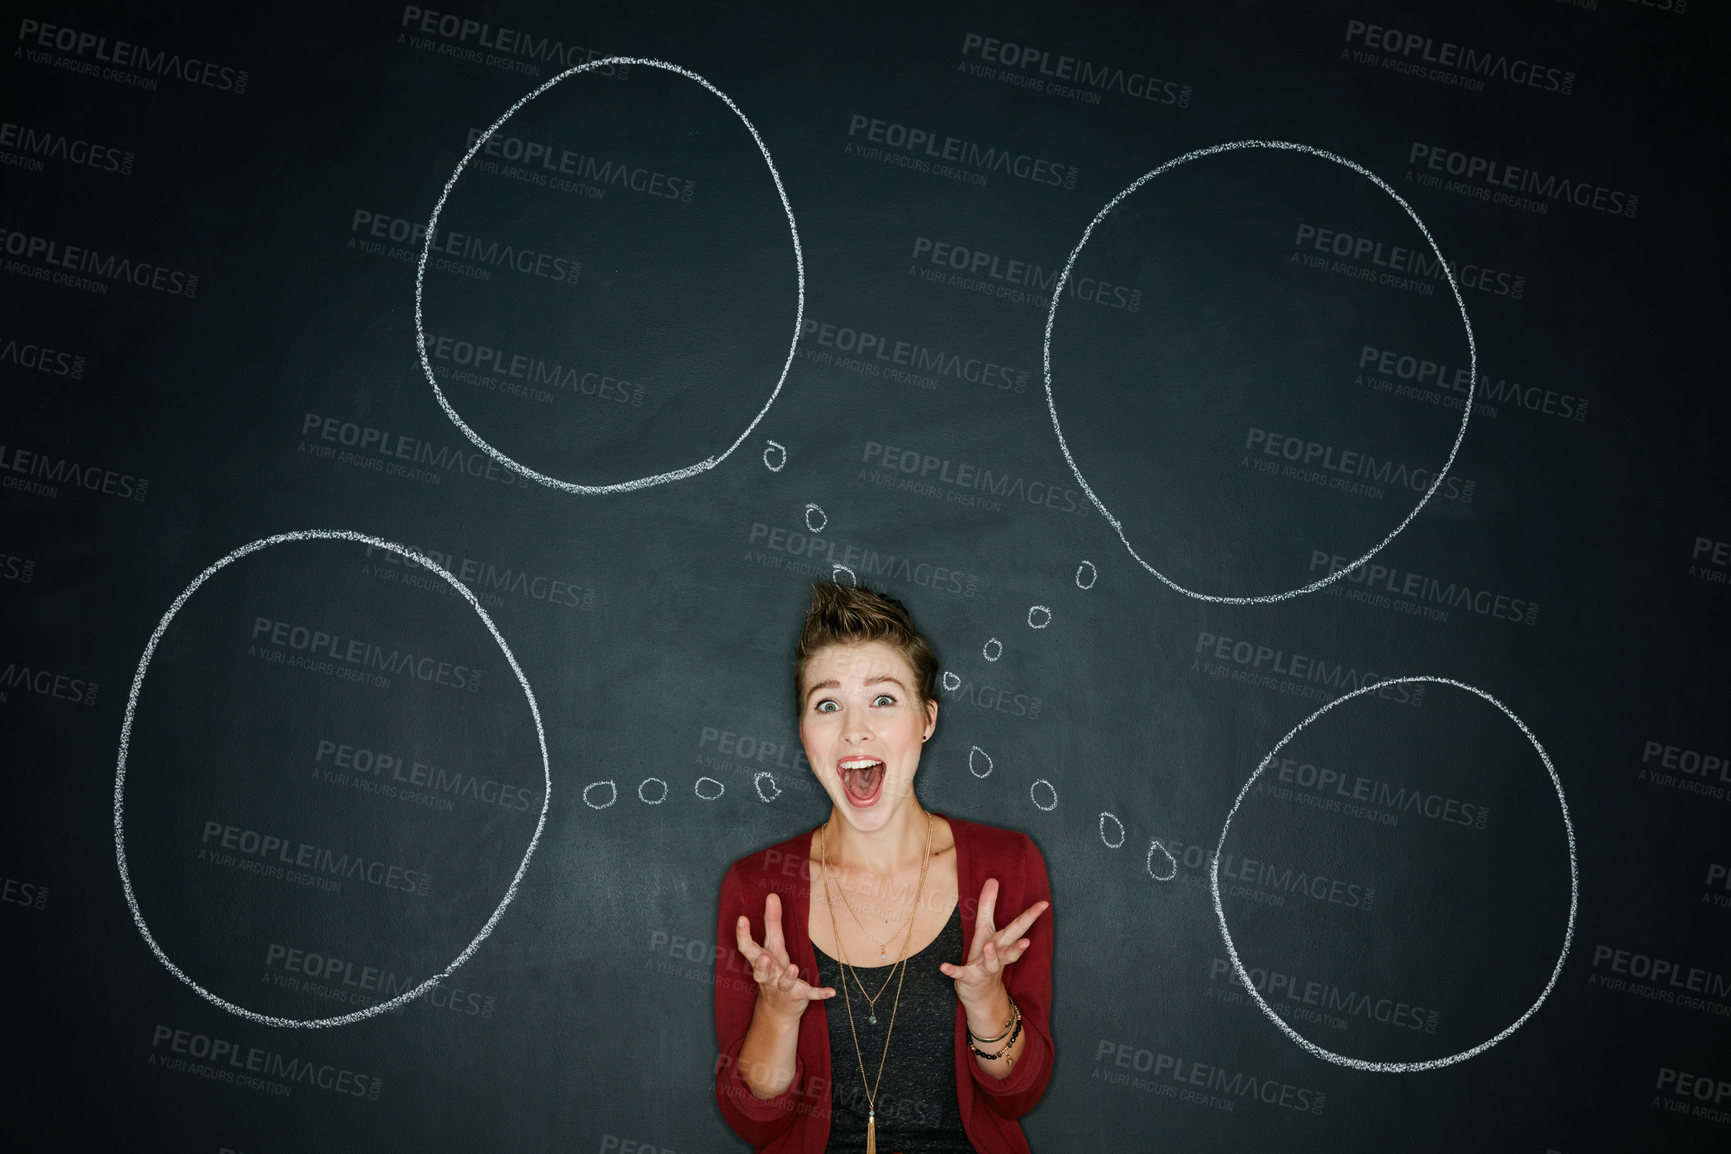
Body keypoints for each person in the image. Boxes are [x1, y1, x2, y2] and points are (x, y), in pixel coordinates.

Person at [715, 582, 1054, 1153]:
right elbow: (755, 1120)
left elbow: (1016, 1096)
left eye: (883, 699)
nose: (854, 730)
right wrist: (776, 1013)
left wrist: (988, 1002)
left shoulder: (1005, 869)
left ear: (927, 718)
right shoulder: (758, 890)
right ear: (804, 732)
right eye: (828, 704)